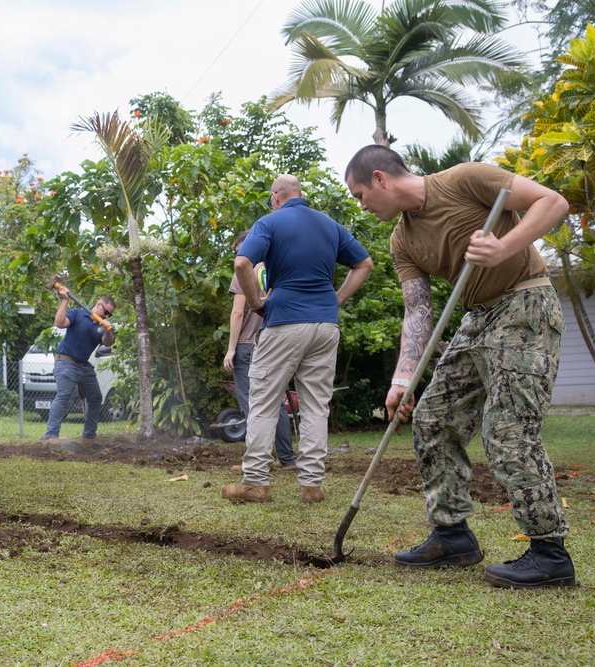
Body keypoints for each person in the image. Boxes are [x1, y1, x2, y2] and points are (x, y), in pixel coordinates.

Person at [344, 144, 574, 588]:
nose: (362, 205)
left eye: (358, 194)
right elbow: (417, 313)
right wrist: (402, 378)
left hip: (524, 302)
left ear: (379, 178)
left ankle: (549, 552)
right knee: (432, 418)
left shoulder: (464, 179)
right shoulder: (402, 240)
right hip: (477, 317)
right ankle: (453, 536)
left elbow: (554, 202)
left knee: (508, 429)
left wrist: (502, 246)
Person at [222, 175, 373, 504]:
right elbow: (364, 264)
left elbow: (242, 263)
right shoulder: (329, 225)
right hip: (325, 326)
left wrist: (255, 303)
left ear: (276, 197)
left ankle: (256, 483)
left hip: (284, 323)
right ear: (300, 194)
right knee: (317, 407)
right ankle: (311, 486)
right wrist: (335, 299)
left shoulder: (269, 223)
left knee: (262, 403)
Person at [224, 231, 296, 472]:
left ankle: (256, 461)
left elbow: (237, 313)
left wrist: (231, 349)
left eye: (238, 252)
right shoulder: (275, 268)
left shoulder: (245, 269)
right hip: (274, 342)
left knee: (251, 404)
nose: (238, 257)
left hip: (248, 345)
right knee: (275, 402)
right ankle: (287, 459)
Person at [41, 287, 115, 443]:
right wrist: (65, 300)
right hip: (66, 362)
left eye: (110, 314)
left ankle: (89, 436)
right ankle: (50, 436)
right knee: (64, 396)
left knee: (95, 397)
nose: (106, 315)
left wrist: (107, 331)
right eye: (105, 312)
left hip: (84, 366)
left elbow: (108, 342)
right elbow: (59, 323)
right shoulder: (77, 314)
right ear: (98, 304)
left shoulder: (102, 327)